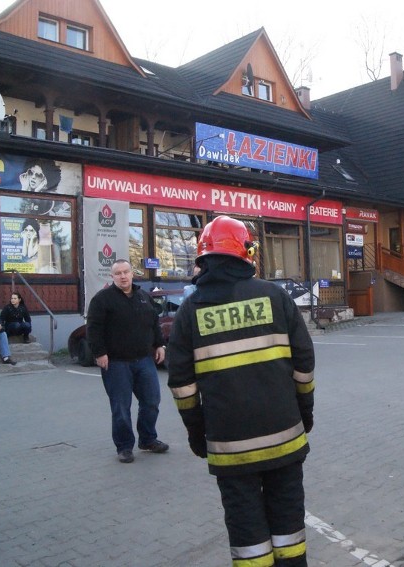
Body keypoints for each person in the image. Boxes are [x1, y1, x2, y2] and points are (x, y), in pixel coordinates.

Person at [167, 215, 316, 566]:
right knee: (289, 530)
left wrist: (197, 433)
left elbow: (182, 384)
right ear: (244, 253)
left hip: (230, 448)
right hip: (285, 438)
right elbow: (304, 363)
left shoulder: (190, 311)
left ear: (203, 259)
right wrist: (304, 413)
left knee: (248, 536)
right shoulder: (274, 296)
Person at [86, 259, 169, 464]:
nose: (123, 276)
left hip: (144, 360)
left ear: (133, 274)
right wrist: (100, 353)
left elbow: (153, 323)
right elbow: (94, 329)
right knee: (121, 407)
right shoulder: (102, 299)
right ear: (112, 276)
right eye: (118, 273)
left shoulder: (143, 297)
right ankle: (124, 447)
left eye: (126, 272)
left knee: (151, 402)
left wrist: (159, 345)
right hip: (116, 363)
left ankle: (148, 439)